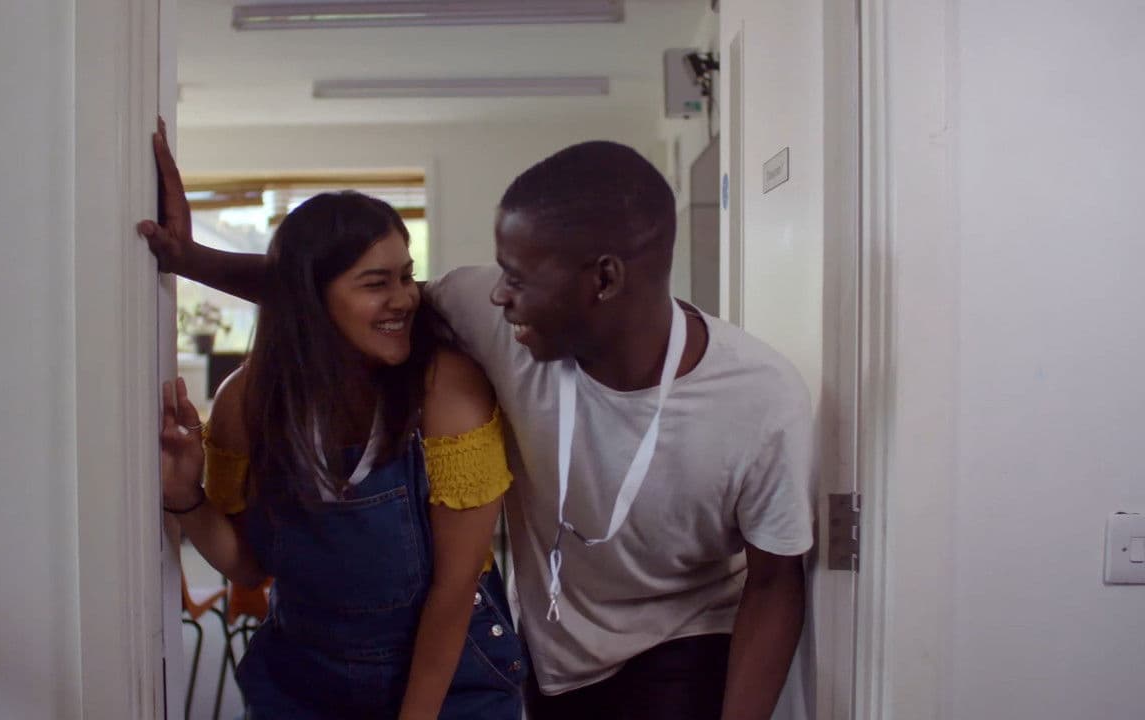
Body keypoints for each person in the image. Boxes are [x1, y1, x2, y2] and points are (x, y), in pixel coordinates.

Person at [144, 130, 812, 720]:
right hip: (554, 651)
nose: (496, 292)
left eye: (516, 277)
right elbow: (325, 296)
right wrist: (188, 259)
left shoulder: (758, 397)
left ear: (604, 280)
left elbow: (776, 581)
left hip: (681, 643)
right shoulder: (494, 319)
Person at [151, 122, 528, 718]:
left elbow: (453, 592)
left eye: (405, 275)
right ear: (310, 301)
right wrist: (185, 498)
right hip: (303, 676)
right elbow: (249, 565)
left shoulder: (446, 392)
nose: (404, 298)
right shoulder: (245, 402)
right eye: (376, 284)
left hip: (450, 676)